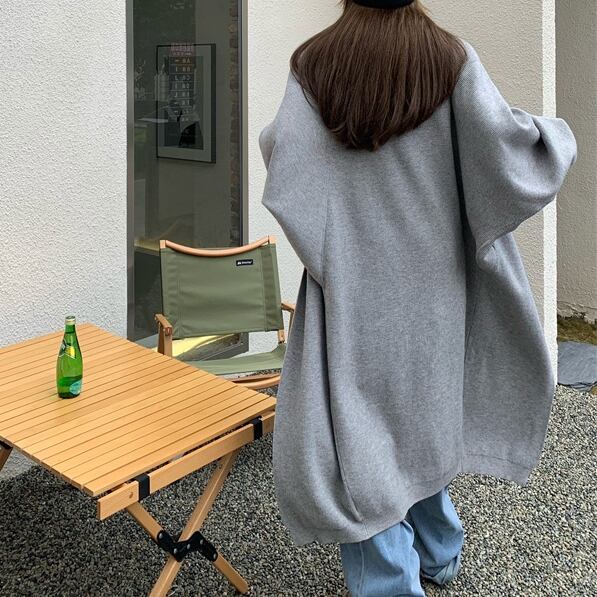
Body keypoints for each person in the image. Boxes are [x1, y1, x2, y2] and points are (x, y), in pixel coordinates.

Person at [258, 1, 578, 595]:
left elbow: (286, 169)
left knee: (359, 437)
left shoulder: (314, 64)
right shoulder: (446, 57)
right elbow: (507, 154)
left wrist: (333, 247)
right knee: (421, 418)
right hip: (435, 294)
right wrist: (554, 137)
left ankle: (396, 578)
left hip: (353, 292)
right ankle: (440, 551)